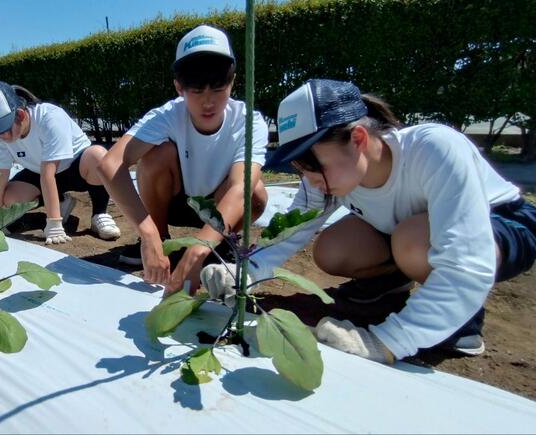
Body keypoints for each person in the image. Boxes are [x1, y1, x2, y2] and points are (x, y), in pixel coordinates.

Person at [200, 78, 536, 363]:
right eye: (298, 165)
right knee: (333, 248)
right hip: (409, 230)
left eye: (312, 163)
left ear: (358, 139)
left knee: (412, 240)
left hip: (502, 225)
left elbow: (467, 262)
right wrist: (242, 271)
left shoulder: (434, 149)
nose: (307, 176)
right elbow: (292, 229)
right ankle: (387, 290)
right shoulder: (333, 173)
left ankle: (462, 323)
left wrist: (387, 342)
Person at [97, 24, 269, 293]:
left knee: (255, 190)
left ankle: (218, 244)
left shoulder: (249, 121)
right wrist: (148, 234)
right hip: (179, 202)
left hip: (219, 206)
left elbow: (240, 189)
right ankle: (162, 242)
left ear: (232, 82)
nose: (208, 102)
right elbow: (110, 164)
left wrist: (199, 249)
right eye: (197, 91)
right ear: (179, 88)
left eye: (218, 87)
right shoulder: (169, 115)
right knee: (156, 156)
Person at [0, 81, 121, 244]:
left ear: (21, 115)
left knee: (98, 156)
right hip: (37, 171)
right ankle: (62, 201)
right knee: (9, 199)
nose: (1, 137)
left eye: (4, 128)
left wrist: (54, 223)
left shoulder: (49, 117)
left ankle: (99, 214)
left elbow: (48, 173)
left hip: (74, 168)